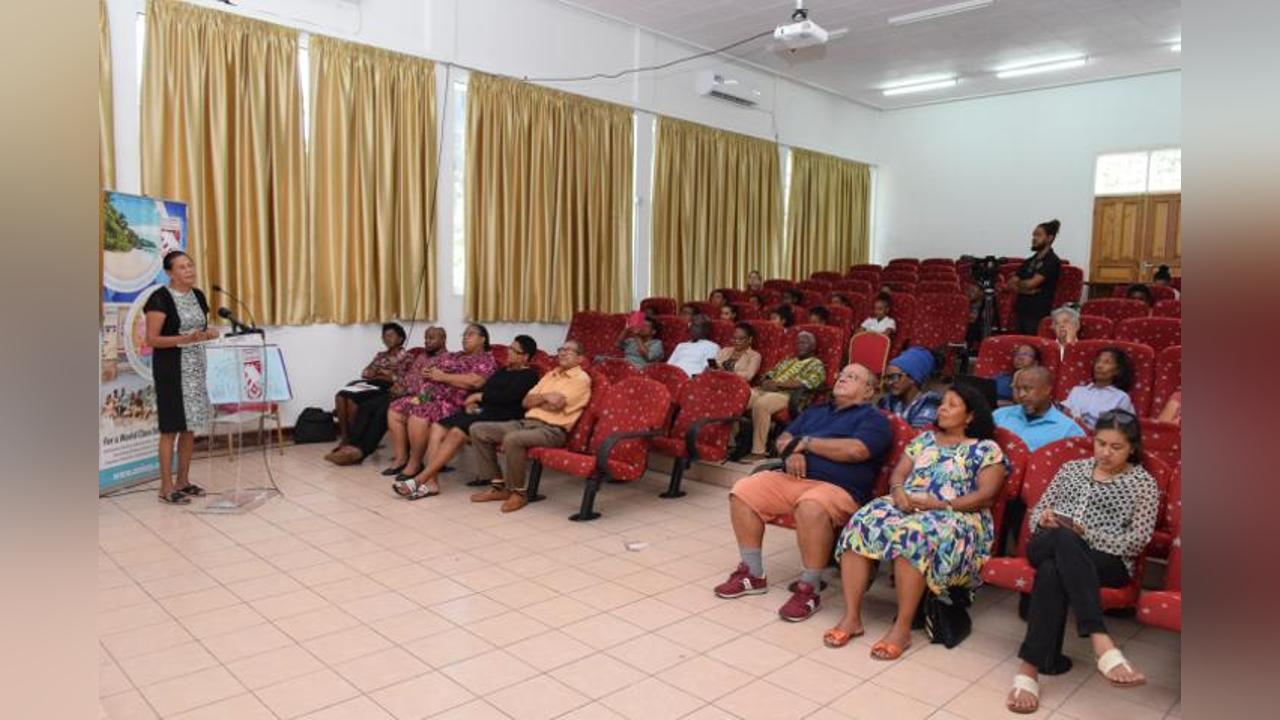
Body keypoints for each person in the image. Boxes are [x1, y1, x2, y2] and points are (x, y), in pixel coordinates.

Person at [826, 385, 1008, 657]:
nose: (942, 408)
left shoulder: (986, 449)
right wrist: (898, 492)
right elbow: (899, 475)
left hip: (958, 514)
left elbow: (986, 496)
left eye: (952, 405)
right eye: (942, 403)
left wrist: (940, 504)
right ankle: (851, 617)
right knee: (862, 523)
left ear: (970, 416)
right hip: (910, 504)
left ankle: (902, 628)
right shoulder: (924, 440)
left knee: (913, 536)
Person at [1006, 410, 1158, 714]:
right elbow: (1037, 515)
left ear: (1132, 448)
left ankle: (1029, 668)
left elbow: (1136, 541)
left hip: (1107, 559)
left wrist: (1084, 535)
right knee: (1063, 539)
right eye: (1101, 443)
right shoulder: (1071, 469)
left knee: (1053, 568)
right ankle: (1099, 638)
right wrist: (1045, 519)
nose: (1106, 452)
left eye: (1116, 447)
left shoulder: (1143, 484)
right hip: (1048, 542)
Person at [714, 364, 891, 622]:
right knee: (743, 491)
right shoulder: (816, 411)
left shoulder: (874, 419)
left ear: (868, 391)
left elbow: (856, 450)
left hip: (839, 489)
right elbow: (783, 440)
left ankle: (809, 589)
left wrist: (807, 443)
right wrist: (792, 452)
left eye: (852, 377)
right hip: (793, 479)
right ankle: (752, 574)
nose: (842, 379)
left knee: (811, 505)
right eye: (841, 374)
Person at [394, 336, 541, 500]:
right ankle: (432, 482)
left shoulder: (529, 375)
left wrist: (480, 397)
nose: (509, 351)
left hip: (503, 416)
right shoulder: (503, 371)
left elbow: (509, 397)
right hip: (483, 411)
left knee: (457, 432)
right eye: (510, 347)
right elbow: (486, 389)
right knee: (438, 426)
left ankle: (419, 480)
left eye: (514, 350)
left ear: (525, 357)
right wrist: (474, 401)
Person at [469, 340, 592, 513]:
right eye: (561, 349)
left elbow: (557, 405)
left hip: (553, 430)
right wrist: (546, 397)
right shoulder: (551, 374)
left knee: (513, 439)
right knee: (478, 430)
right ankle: (498, 486)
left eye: (569, 350)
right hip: (527, 423)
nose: (563, 353)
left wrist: (540, 400)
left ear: (580, 358)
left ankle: (518, 493)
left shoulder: (581, 379)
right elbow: (526, 401)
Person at [144, 251, 219, 504]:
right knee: (171, 429)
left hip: (195, 369)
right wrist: (184, 339)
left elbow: (200, 329)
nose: (189, 270)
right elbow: (152, 339)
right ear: (169, 273)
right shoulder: (160, 298)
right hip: (171, 370)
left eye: (190, 265)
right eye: (182, 267)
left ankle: (183, 481)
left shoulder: (198, 295)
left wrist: (209, 333)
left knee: (189, 428)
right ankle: (166, 488)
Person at [384, 325, 497, 480]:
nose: (465, 338)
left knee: (419, 412)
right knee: (396, 409)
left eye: (470, 335)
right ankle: (401, 457)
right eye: (463, 335)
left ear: (482, 339)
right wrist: (428, 372)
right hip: (428, 396)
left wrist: (442, 376)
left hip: (452, 402)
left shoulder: (486, 360)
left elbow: (475, 381)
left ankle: (415, 463)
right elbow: (433, 368)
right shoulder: (456, 355)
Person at [328, 326, 448, 466]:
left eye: (431, 338)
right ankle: (351, 445)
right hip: (403, 393)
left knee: (384, 410)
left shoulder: (446, 359)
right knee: (367, 406)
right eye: (426, 338)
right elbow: (408, 377)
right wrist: (398, 388)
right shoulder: (422, 357)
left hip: (425, 398)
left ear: (443, 339)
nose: (427, 341)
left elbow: (434, 388)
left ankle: (362, 451)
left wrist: (405, 391)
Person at [327, 323, 408, 461]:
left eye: (390, 335)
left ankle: (355, 441)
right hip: (372, 385)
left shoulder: (406, 357)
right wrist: (379, 373)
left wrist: (383, 373)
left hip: (386, 388)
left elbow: (402, 379)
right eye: (384, 336)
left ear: (400, 338)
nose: (386, 339)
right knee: (341, 396)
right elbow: (366, 372)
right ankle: (345, 437)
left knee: (353, 402)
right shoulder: (381, 355)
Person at [741, 332, 826, 461]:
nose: (800, 345)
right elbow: (768, 374)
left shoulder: (816, 364)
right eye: (798, 343)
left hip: (788, 396)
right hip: (766, 391)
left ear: (813, 346)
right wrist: (766, 382)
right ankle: (732, 443)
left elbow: (805, 383)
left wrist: (778, 385)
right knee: (741, 397)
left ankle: (758, 451)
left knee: (762, 404)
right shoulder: (788, 361)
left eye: (804, 343)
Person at [994, 367, 1085, 452]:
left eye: (1027, 389)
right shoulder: (999, 415)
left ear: (1047, 390)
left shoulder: (1069, 430)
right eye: (1018, 389)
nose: (1021, 395)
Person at [1008, 219, 1063, 335]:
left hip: (1037, 314)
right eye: (1033, 235)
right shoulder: (1029, 261)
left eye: (1038, 235)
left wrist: (1021, 286)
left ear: (1049, 238)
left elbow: (1031, 284)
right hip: (1020, 310)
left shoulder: (1052, 261)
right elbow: (1011, 284)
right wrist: (1026, 290)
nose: (1034, 238)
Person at [1063, 347, 1136, 430]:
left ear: (1117, 371)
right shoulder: (1077, 391)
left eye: (1107, 362)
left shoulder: (1121, 397)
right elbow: (1063, 415)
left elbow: (1125, 429)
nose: (1099, 366)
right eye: (1098, 361)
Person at [877, 347, 942, 429]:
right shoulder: (888, 402)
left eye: (895, 377)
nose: (890, 382)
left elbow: (918, 436)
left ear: (913, 378)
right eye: (887, 378)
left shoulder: (928, 406)